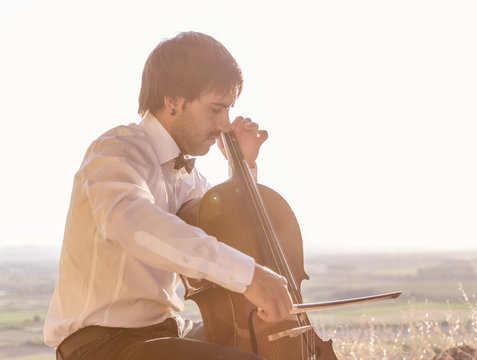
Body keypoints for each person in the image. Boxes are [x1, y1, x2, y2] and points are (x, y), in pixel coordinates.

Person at [44, 31, 293, 360]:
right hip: (104, 345)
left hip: (166, 331)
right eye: (217, 109)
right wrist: (249, 277)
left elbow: (233, 236)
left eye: (229, 111)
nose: (225, 124)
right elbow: (132, 223)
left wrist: (242, 168)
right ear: (173, 100)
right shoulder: (117, 151)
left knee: (261, 340)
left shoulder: (191, 178)